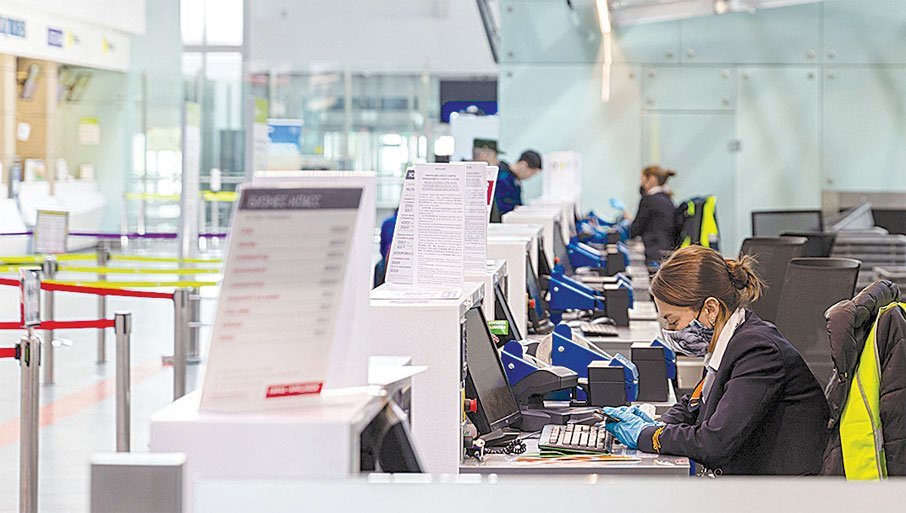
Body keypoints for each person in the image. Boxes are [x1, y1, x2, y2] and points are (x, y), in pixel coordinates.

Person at [602, 246, 831, 475]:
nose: (671, 332)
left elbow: (713, 443)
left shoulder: (758, 351)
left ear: (710, 309)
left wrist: (647, 435)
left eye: (673, 321)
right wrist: (659, 423)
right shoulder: (731, 340)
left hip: (781, 490)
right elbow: (697, 404)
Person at [473, 139, 542, 222]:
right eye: (532, 173)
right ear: (523, 165)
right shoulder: (502, 177)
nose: (530, 177)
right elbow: (499, 207)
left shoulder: (514, 179)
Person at [622, 165, 677, 267]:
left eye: (642, 180)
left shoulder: (648, 200)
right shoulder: (667, 199)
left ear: (651, 179)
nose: (641, 184)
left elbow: (635, 230)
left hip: (654, 252)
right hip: (667, 251)